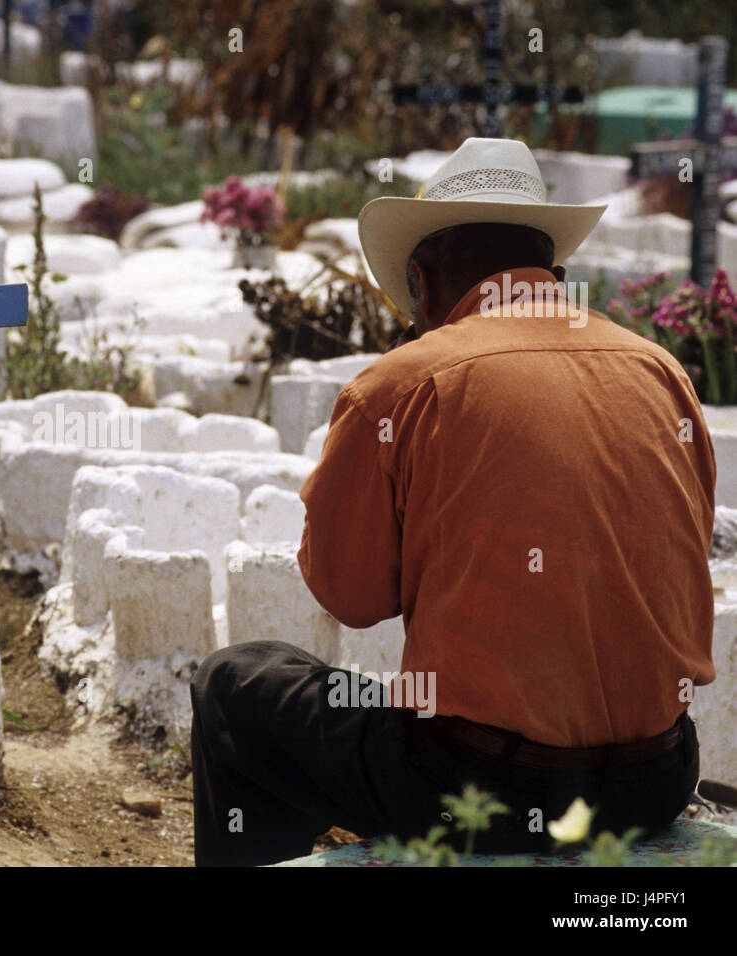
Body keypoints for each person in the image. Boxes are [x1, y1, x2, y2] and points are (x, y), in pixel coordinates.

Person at [189, 137, 716, 867]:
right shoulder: (662, 373)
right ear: (554, 276)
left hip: (484, 788)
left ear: (423, 282)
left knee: (236, 685)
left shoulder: (402, 384)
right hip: (657, 778)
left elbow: (352, 596)